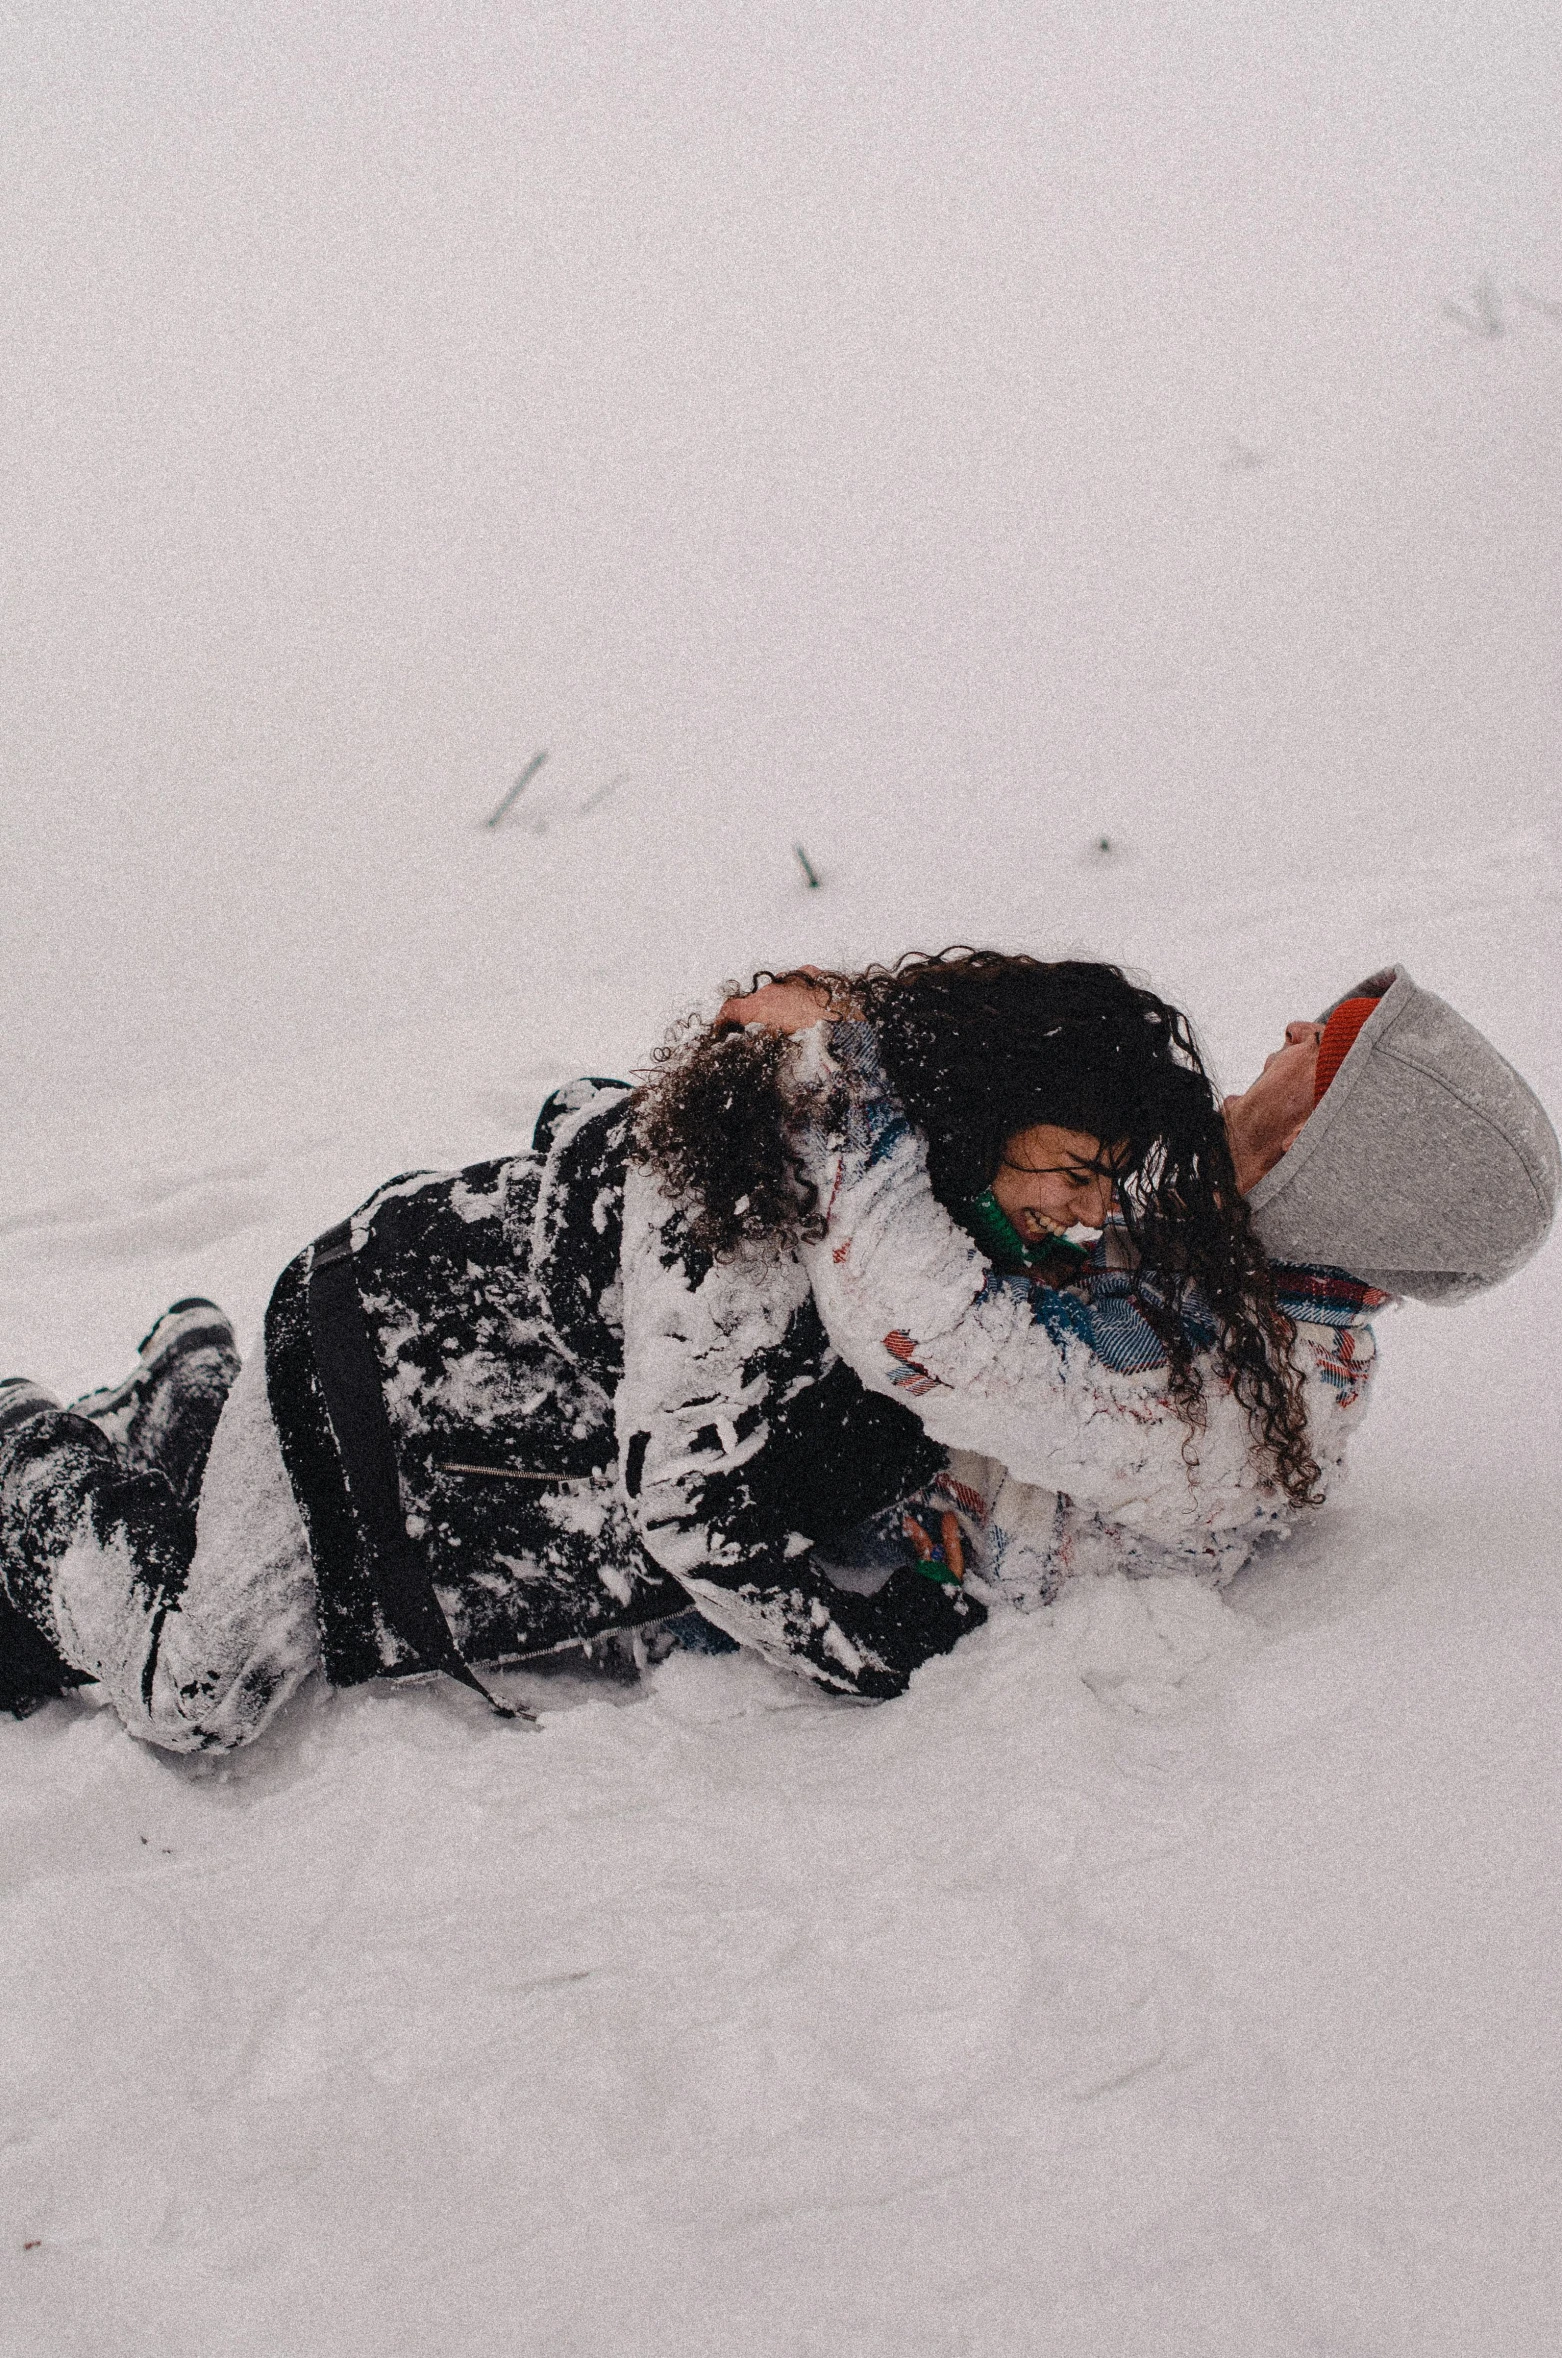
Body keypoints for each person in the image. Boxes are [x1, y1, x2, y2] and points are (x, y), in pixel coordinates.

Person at [0, 954, 1317, 1746]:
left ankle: (187, 1390)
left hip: (469, 1458)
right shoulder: (749, 1210)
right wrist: (875, 1653)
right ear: (994, 1113)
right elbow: (689, 1505)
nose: (1085, 1209)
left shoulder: (933, 1206)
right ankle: (33, 1440)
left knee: (274, 1602)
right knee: (202, 1688)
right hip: (363, 1368)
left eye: (1104, 1180)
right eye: (1076, 1171)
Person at [720, 960, 1558, 1605]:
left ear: (1322, 1150)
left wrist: (837, 1071)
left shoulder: (1219, 1370)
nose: (1298, 1027)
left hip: (831, 1571)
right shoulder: (1233, 1290)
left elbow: (926, 1337)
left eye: (1328, 1045)